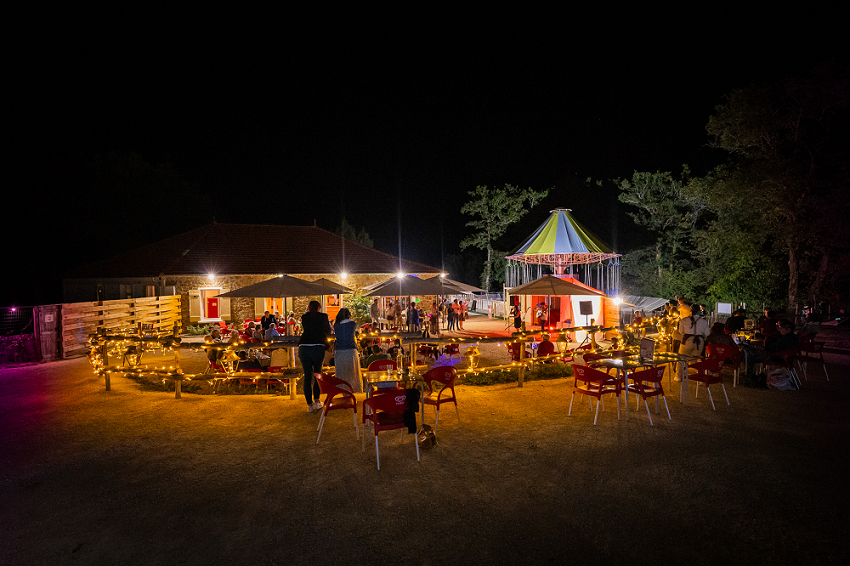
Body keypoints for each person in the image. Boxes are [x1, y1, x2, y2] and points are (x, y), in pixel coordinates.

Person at [298, 300, 332, 413]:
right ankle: (317, 401)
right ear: (319, 307)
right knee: (317, 374)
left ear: (309, 307)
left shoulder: (305, 317)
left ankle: (309, 404)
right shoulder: (323, 317)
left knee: (307, 376)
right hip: (317, 347)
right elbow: (327, 330)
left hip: (304, 347)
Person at [332, 308, 362, 393]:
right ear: (349, 315)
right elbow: (358, 331)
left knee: (341, 373)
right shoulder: (352, 324)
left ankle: (342, 390)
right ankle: (354, 390)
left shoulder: (336, 325)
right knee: (353, 373)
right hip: (351, 351)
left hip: (339, 351)